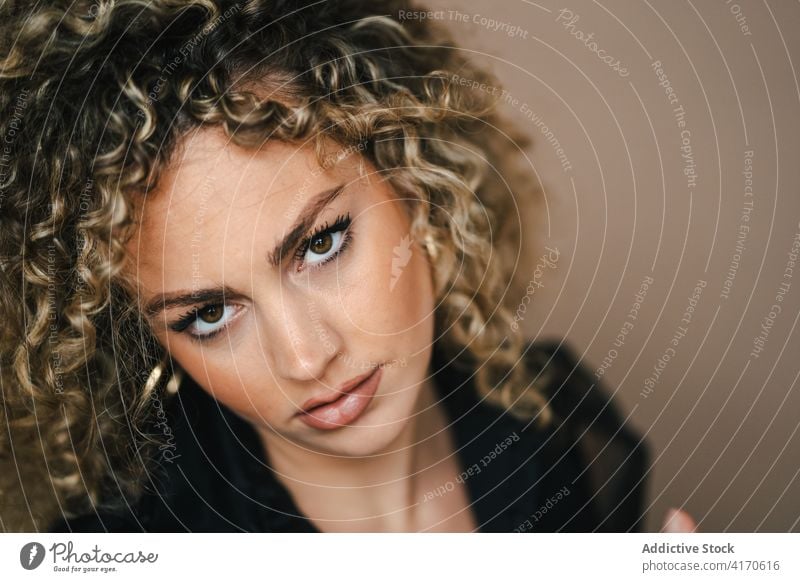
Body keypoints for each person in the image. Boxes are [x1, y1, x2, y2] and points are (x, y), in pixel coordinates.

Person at [0, 0, 692, 533]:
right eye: (209, 314)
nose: (305, 358)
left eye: (321, 243)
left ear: (413, 177)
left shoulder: (558, 424)